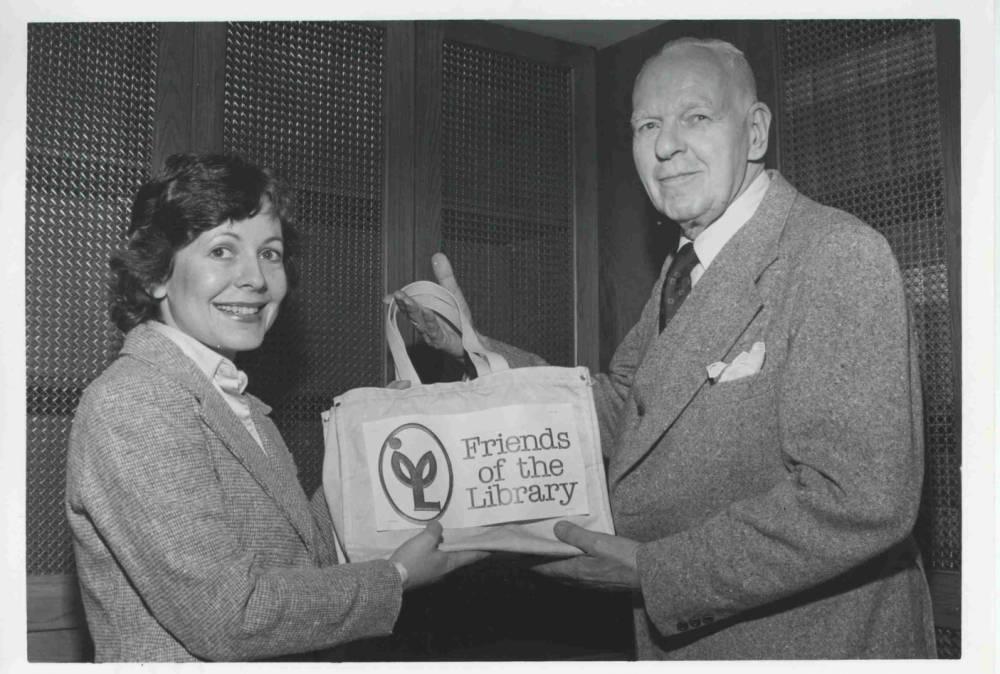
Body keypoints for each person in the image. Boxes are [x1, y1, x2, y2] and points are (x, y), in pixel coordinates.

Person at [392, 37, 937, 659]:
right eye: (647, 124)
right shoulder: (685, 269)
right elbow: (626, 410)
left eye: (695, 118)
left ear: (755, 133)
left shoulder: (836, 254)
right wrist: (479, 349)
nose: (665, 145)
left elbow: (860, 498)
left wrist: (657, 572)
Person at [65, 153, 485, 662]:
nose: (257, 279)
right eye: (222, 250)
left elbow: (302, 559)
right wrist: (394, 578)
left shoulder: (232, 398)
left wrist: (368, 444)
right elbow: (230, 617)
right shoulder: (137, 401)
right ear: (156, 275)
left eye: (270, 253)